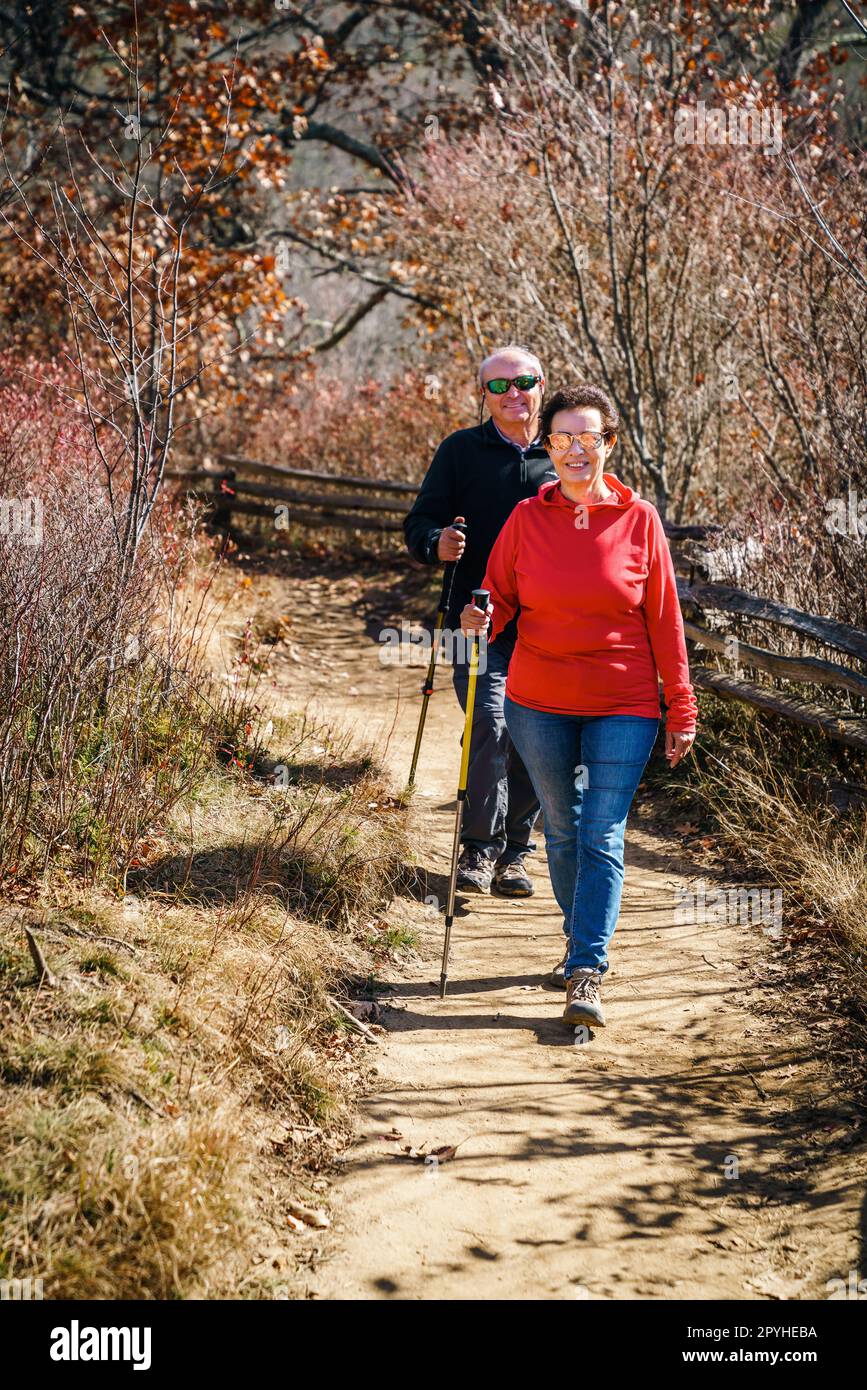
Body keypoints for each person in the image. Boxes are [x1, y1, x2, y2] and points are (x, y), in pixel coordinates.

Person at [460, 384, 697, 1028]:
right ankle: (579, 933)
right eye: (561, 439)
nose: (574, 451)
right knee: (562, 830)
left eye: (587, 438)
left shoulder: (639, 521)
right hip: (538, 701)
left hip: (624, 701)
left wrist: (681, 707)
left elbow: (665, 621)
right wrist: (482, 611)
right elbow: (500, 595)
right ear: (548, 446)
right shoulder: (525, 519)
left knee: (601, 832)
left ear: (608, 445)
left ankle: (587, 967)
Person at [403, 345, 559, 896]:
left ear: (542, 384)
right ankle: (478, 849)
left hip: (552, 627)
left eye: (524, 381)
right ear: (484, 395)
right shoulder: (461, 451)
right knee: (490, 725)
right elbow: (419, 522)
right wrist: (435, 542)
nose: (513, 393)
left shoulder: (568, 453)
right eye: (499, 386)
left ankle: (516, 852)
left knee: (535, 736)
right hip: (474, 621)